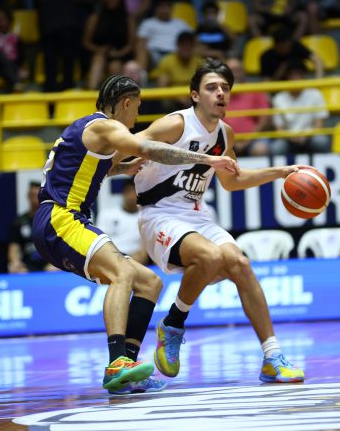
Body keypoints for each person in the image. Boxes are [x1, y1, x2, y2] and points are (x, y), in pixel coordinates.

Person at [32, 74, 238, 394]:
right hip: (61, 217)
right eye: (138, 108)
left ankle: (127, 370)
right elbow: (149, 148)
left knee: (149, 282)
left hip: (62, 220)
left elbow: (93, 169)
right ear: (126, 103)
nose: (137, 116)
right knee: (123, 273)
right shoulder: (103, 126)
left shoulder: (92, 132)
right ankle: (117, 363)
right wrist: (206, 158)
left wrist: (120, 169)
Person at [134, 58, 306, 384]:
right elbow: (131, 146)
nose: (220, 93)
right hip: (159, 214)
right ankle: (173, 325)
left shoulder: (225, 134)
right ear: (195, 95)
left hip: (196, 215)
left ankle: (272, 357)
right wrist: (115, 166)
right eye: (211, 87)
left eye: (225, 88)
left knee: (240, 264)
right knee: (211, 256)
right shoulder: (176, 124)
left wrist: (280, 173)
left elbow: (232, 181)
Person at [270, 60, 331, 155]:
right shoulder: (279, 98)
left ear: (304, 76)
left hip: (310, 136)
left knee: (321, 141)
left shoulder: (315, 94)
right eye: (292, 75)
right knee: (276, 148)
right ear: (287, 77)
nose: (296, 78)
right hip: (288, 139)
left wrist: (307, 135)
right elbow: (279, 129)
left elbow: (319, 125)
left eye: (299, 75)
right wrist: (290, 137)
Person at [82, 0, 136, 90]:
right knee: (98, 59)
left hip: (120, 55)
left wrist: (118, 53)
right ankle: (91, 91)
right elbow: (85, 42)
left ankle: (115, 97)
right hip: (98, 53)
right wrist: (99, 49)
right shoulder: (95, 17)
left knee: (115, 65)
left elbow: (131, 44)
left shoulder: (128, 19)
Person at [223, 57, 271, 156]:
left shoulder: (255, 90)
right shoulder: (218, 93)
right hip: (224, 139)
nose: (235, 74)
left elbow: (264, 120)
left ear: (243, 72)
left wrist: (247, 140)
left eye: (237, 70)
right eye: (231, 71)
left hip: (253, 138)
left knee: (260, 149)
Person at [9, 181, 60, 273]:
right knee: (16, 270)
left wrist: (56, 264)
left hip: (49, 265)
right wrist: (15, 262)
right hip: (26, 266)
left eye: (36, 195)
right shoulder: (19, 222)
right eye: (32, 195)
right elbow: (14, 248)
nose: (34, 199)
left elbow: (59, 245)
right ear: (28, 196)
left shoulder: (52, 220)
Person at [96, 179, 149, 265]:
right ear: (123, 193)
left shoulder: (146, 218)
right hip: (110, 257)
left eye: (134, 192)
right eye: (128, 191)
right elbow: (100, 242)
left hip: (135, 260)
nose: (131, 196)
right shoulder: (107, 214)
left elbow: (143, 252)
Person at [136, 0, 192, 70]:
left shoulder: (181, 23)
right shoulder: (147, 23)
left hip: (176, 55)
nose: (165, 10)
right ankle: (140, 74)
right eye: (162, 7)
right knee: (141, 50)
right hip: (155, 55)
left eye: (167, 7)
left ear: (172, 9)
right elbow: (141, 42)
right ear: (156, 9)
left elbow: (194, 40)